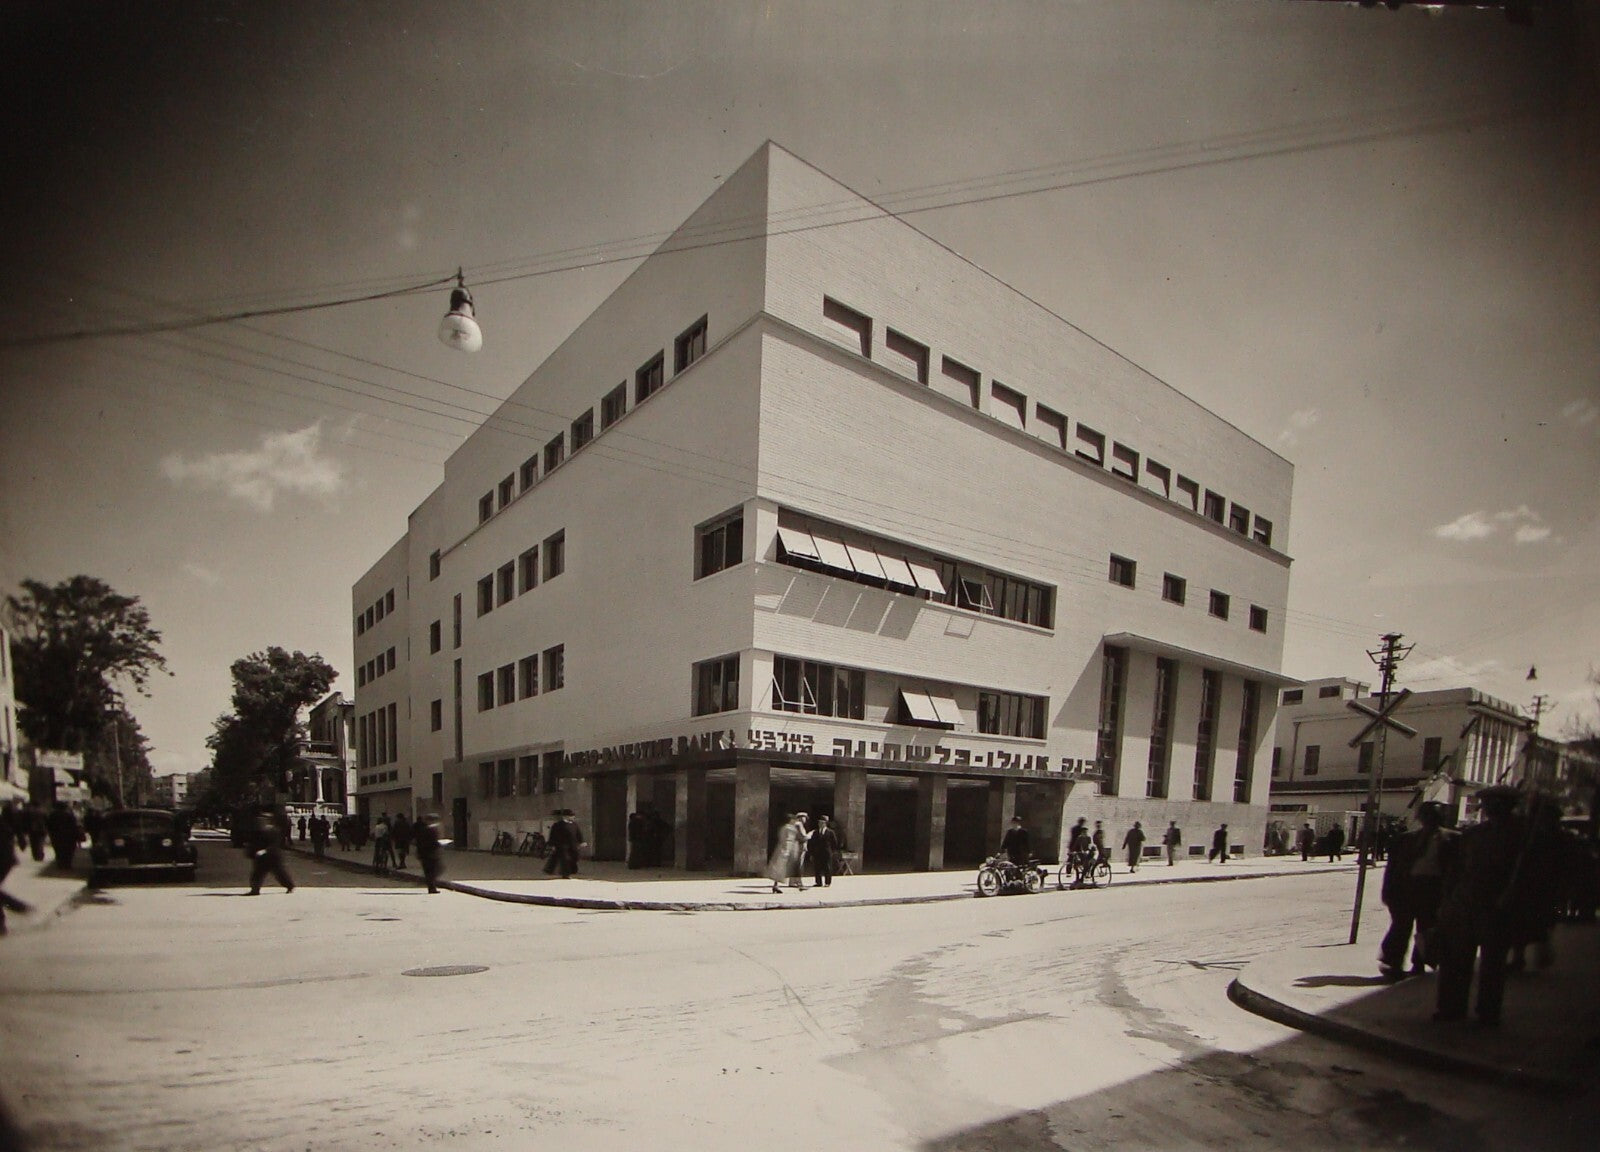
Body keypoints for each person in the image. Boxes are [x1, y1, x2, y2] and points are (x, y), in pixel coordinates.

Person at [1434, 785, 1525, 1026]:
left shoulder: (1522, 834)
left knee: (1492, 965)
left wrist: (1513, 898)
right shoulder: (1474, 834)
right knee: (1456, 961)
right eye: (1487, 803)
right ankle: (1452, 1008)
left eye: (1496, 803)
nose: (1489, 808)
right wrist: (1448, 899)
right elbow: (1456, 869)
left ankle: (1488, 1012)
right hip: (1465, 904)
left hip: (1498, 908)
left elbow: (1528, 875)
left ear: (1509, 806)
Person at [1379, 802, 1457, 978]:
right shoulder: (1405, 839)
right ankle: (1394, 964)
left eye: (1434, 816)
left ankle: (1419, 964)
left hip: (1433, 890)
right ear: (1420, 818)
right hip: (1406, 889)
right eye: (1426, 816)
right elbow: (1392, 868)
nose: (1430, 820)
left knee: (1426, 928)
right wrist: (1387, 891)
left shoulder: (1453, 839)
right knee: (1400, 927)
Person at [244, 806, 294, 895]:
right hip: (261, 857)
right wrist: (251, 851)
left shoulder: (274, 831)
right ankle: (255, 890)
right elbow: (255, 843)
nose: (261, 821)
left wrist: (265, 850)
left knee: (280, 873)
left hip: (273, 857)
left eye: (264, 819)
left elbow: (275, 844)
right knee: (257, 874)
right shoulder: (258, 831)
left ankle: (289, 886)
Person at [767, 812, 808, 893]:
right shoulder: (790, 828)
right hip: (788, 850)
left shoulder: (783, 828)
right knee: (794, 867)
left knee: (779, 870)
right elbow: (790, 840)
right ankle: (799, 884)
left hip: (782, 849)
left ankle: (776, 885)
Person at [544, 809, 586, 878]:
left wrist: (582, 841)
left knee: (574, 857)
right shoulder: (558, 825)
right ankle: (566, 874)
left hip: (573, 845)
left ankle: (570, 870)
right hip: (562, 845)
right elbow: (553, 835)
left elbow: (578, 834)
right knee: (565, 859)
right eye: (572, 816)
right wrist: (552, 844)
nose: (573, 817)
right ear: (566, 816)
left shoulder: (574, 824)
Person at [414, 812, 446, 893]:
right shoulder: (430, 830)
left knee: (431, 871)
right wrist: (440, 844)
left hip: (425, 854)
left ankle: (431, 887)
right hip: (429, 854)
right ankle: (431, 887)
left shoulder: (424, 829)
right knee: (433, 870)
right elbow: (432, 842)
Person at [808, 815, 840, 888]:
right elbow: (812, 843)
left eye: (822, 823)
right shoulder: (815, 832)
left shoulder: (830, 832)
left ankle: (827, 882)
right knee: (817, 868)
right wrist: (811, 853)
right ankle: (818, 882)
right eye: (819, 822)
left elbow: (834, 843)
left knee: (827, 868)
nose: (820, 824)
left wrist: (832, 851)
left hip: (827, 853)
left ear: (825, 823)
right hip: (817, 853)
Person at [47, 803, 81, 870]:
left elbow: (49, 825)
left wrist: (51, 834)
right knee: (68, 851)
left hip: (56, 836)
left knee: (58, 850)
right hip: (69, 836)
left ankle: (60, 864)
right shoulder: (70, 815)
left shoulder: (52, 815)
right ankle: (67, 864)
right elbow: (74, 826)